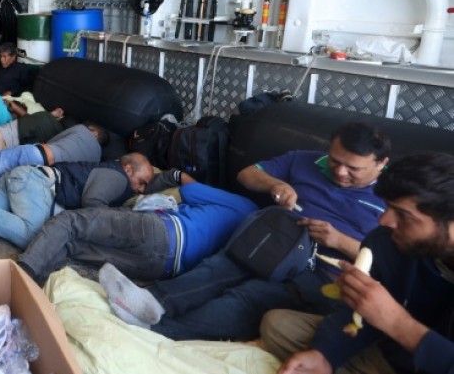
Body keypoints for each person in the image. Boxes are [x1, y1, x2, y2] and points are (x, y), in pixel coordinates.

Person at [99, 123, 390, 342]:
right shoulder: (306, 159)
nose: (339, 172)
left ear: (381, 164)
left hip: (324, 272)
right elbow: (247, 174)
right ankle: (149, 302)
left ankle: (161, 332)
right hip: (276, 240)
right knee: (220, 266)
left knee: (250, 295)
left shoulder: (393, 198)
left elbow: (393, 262)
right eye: (335, 161)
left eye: (353, 169)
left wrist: (340, 241)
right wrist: (274, 185)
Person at [261, 152, 454, 374]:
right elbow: (356, 312)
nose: (384, 220)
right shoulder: (387, 242)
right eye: (388, 206)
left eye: (403, 215)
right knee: (279, 325)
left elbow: (389, 319)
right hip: (391, 352)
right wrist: (324, 354)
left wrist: (396, 322)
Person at [17, 169, 259, 285]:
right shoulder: (255, 243)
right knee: (70, 245)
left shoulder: (244, 204)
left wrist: (179, 174)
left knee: (69, 221)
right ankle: (31, 291)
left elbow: (191, 191)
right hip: (161, 269)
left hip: (164, 231)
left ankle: (18, 278)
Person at [0, 153, 153, 249]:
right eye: (141, 182)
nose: (140, 190)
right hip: (34, 184)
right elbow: (94, 203)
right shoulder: (117, 177)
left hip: (23, 179)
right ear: (129, 168)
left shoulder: (110, 172)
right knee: (32, 235)